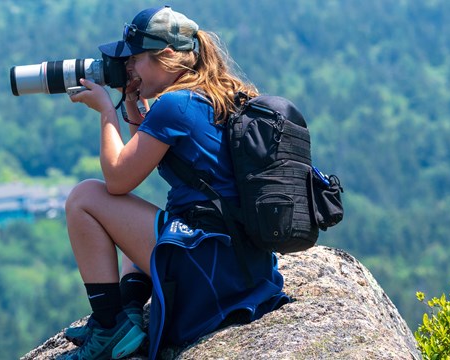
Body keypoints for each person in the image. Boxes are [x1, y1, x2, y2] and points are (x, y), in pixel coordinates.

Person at [62, 6, 289, 360]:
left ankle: (109, 328)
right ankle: (131, 313)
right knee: (147, 225)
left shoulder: (174, 105)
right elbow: (146, 160)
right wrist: (133, 106)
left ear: (166, 56)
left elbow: (119, 179)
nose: (129, 68)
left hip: (208, 272)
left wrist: (108, 113)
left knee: (84, 197)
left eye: (136, 59)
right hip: (242, 268)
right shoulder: (219, 94)